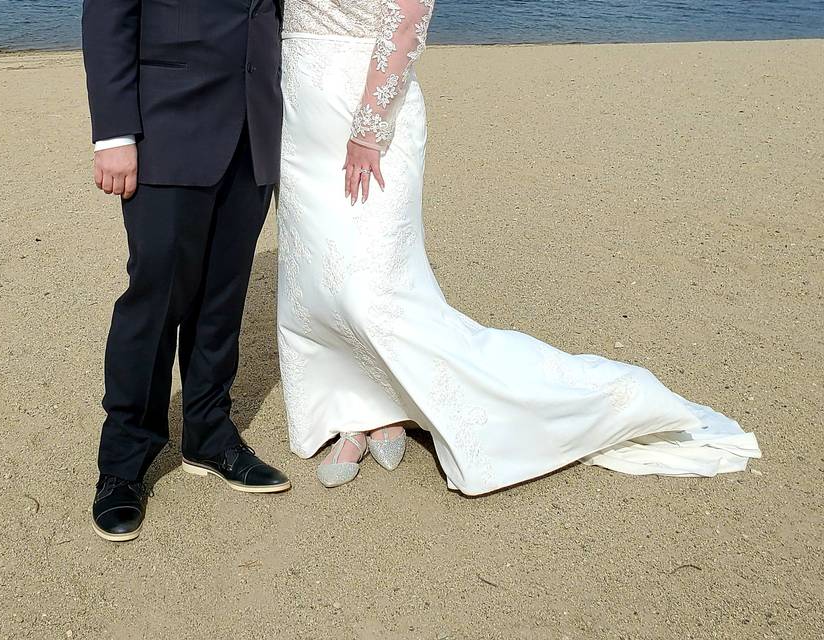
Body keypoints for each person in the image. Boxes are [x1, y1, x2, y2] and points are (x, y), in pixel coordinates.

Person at [275, 0, 761, 493]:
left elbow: (408, 17)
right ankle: (359, 408)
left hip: (367, 118)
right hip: (299, 118)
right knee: (317, 280)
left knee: (374, 289)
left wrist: (369, 128)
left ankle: (586, 403)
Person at [82, 0, 291, 542]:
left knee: (223, 300)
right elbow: (108, 18)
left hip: (254, 128)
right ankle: (123, 462)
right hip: (166, 126)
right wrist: (114, 135)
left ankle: (209, 434)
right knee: (154, 301)